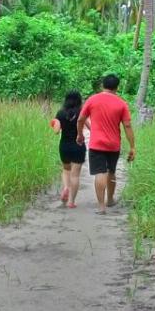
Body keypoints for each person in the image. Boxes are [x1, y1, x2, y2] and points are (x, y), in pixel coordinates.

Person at [76, 74, 135, 214]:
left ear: (103, 85)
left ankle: (101, 206)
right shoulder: (121, 104)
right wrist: (132, 146)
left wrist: (80, 135)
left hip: (96, 144)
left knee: (100, 173)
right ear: (117, 87)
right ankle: (110, 199)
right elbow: (127, 126)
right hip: (113, 144)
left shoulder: (92, 100)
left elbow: (80, 119)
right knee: (111, 172)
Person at [50, 90, 85, 209]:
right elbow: (91, 127)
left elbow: (56, 131)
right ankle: (71, 202)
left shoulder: (60, 113)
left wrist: (54, 122)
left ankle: (66, 187)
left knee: (66, 169)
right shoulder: (81, 113)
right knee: (75, 175)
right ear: (79, 100)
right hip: (78, 146)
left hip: (64, 146)